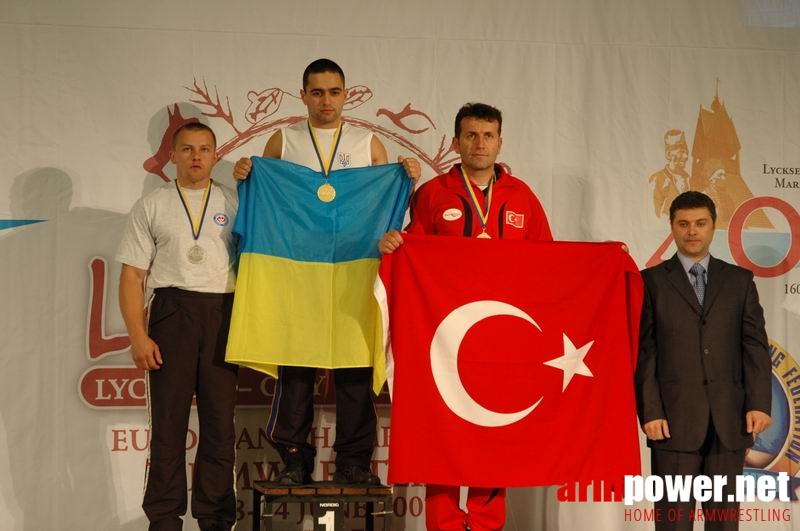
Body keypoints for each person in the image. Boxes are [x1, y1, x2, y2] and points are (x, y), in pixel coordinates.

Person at [233, 58, 421, 486]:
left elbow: (385, 206)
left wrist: (405, 176)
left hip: (354, 273)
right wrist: (247, 174)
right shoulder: (283, 139)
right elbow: (267, 198)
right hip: (298, 275)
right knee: (295, 366)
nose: (326, 100)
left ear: (346, 94)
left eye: (334, 91)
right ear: (303, 96)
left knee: (355, 369)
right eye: (316, 92)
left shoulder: (369, 141)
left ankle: (354, 462)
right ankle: (293, 459)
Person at [379, 102, 552, 531]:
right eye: (471, 135)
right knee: (443, 436)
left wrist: (601, 260)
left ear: (500, 141)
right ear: (455, 142)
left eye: (488, 135)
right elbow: (412, 259)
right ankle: (443, 525)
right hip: (445, 340)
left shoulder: (522, 196)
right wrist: (392, 247)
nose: (480, 143)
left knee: (492, 436)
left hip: (502, 341)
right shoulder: (433, 194)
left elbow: (549, 262)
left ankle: (487, 525)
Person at [117, 122, 239, 531]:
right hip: (171, 312)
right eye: (187, 149)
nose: (196, 157)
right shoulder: (152, 205)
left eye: (204, 149)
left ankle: (216, 518)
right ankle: (165, 519)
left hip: (223, 311)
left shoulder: (235, 201)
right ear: (172, 155)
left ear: (216, 155)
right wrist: (138, 334)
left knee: (220, 426)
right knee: (168, 427)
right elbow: (132, 275)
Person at [635, 191, 772, 531]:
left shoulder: (739, 281)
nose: (692, 231)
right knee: (673, 523)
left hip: (729, 421)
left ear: (714, 227)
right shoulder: (650, 281)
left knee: (723, 524)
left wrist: (759, 403)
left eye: (700, 223)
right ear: (672, 227)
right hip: (672, 423)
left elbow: (754, 346)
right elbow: (644, 351)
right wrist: (650, 411)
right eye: (683, 224)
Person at [649, 129, 690, 219]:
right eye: (681, 152)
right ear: (668, 155)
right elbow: (654, 217)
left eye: (686, 151)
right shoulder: (657, 179)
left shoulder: (690, 180)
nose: (685, 156)